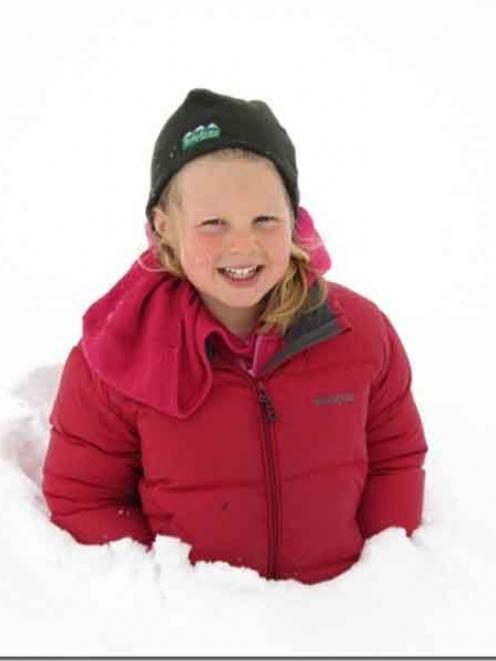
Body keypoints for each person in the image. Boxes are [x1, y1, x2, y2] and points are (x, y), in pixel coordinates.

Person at [42, 88, 428, 584]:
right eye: (213, 223)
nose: (241, 244)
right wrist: (170, 605)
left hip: (339, 619)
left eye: (264, 219)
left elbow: (396, 459)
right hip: (199, 628)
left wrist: (376, 583)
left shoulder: (359, 334)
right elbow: (84, 497)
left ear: (294, 219)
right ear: (164, 227)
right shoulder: (117, 356)